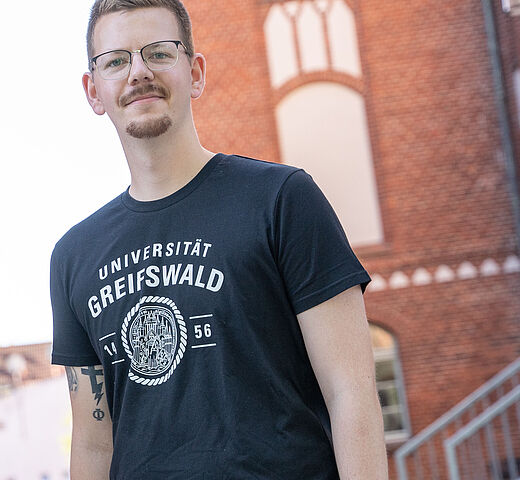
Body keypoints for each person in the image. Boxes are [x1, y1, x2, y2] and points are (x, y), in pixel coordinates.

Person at [49, 1, 388, 478]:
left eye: (160, 53)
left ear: (196, 72)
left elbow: (350, 393)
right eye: (116, 60)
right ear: (94, 91)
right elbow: (91, 444)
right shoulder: (73, 256)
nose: (139, 72)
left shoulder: (282, 199)